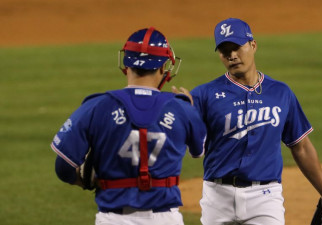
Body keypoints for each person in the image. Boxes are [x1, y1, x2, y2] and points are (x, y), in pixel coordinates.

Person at [191, 18, 322, 225]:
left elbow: (301, 147)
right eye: (224, 50)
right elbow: (188, 144)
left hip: (265, 197)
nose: (232, 55)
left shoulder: (281, 93)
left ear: (253, 45)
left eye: (237, 47)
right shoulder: (204, 94)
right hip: (217, 196)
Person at [50, 27, 206, 225]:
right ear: (164, 67)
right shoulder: (182, 108)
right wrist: (191, 111)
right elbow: (198, 150)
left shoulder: (96, 106)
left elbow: (63, 168)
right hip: (165, 219)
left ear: (125, 63)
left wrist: (84, 182)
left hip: (113, 219)